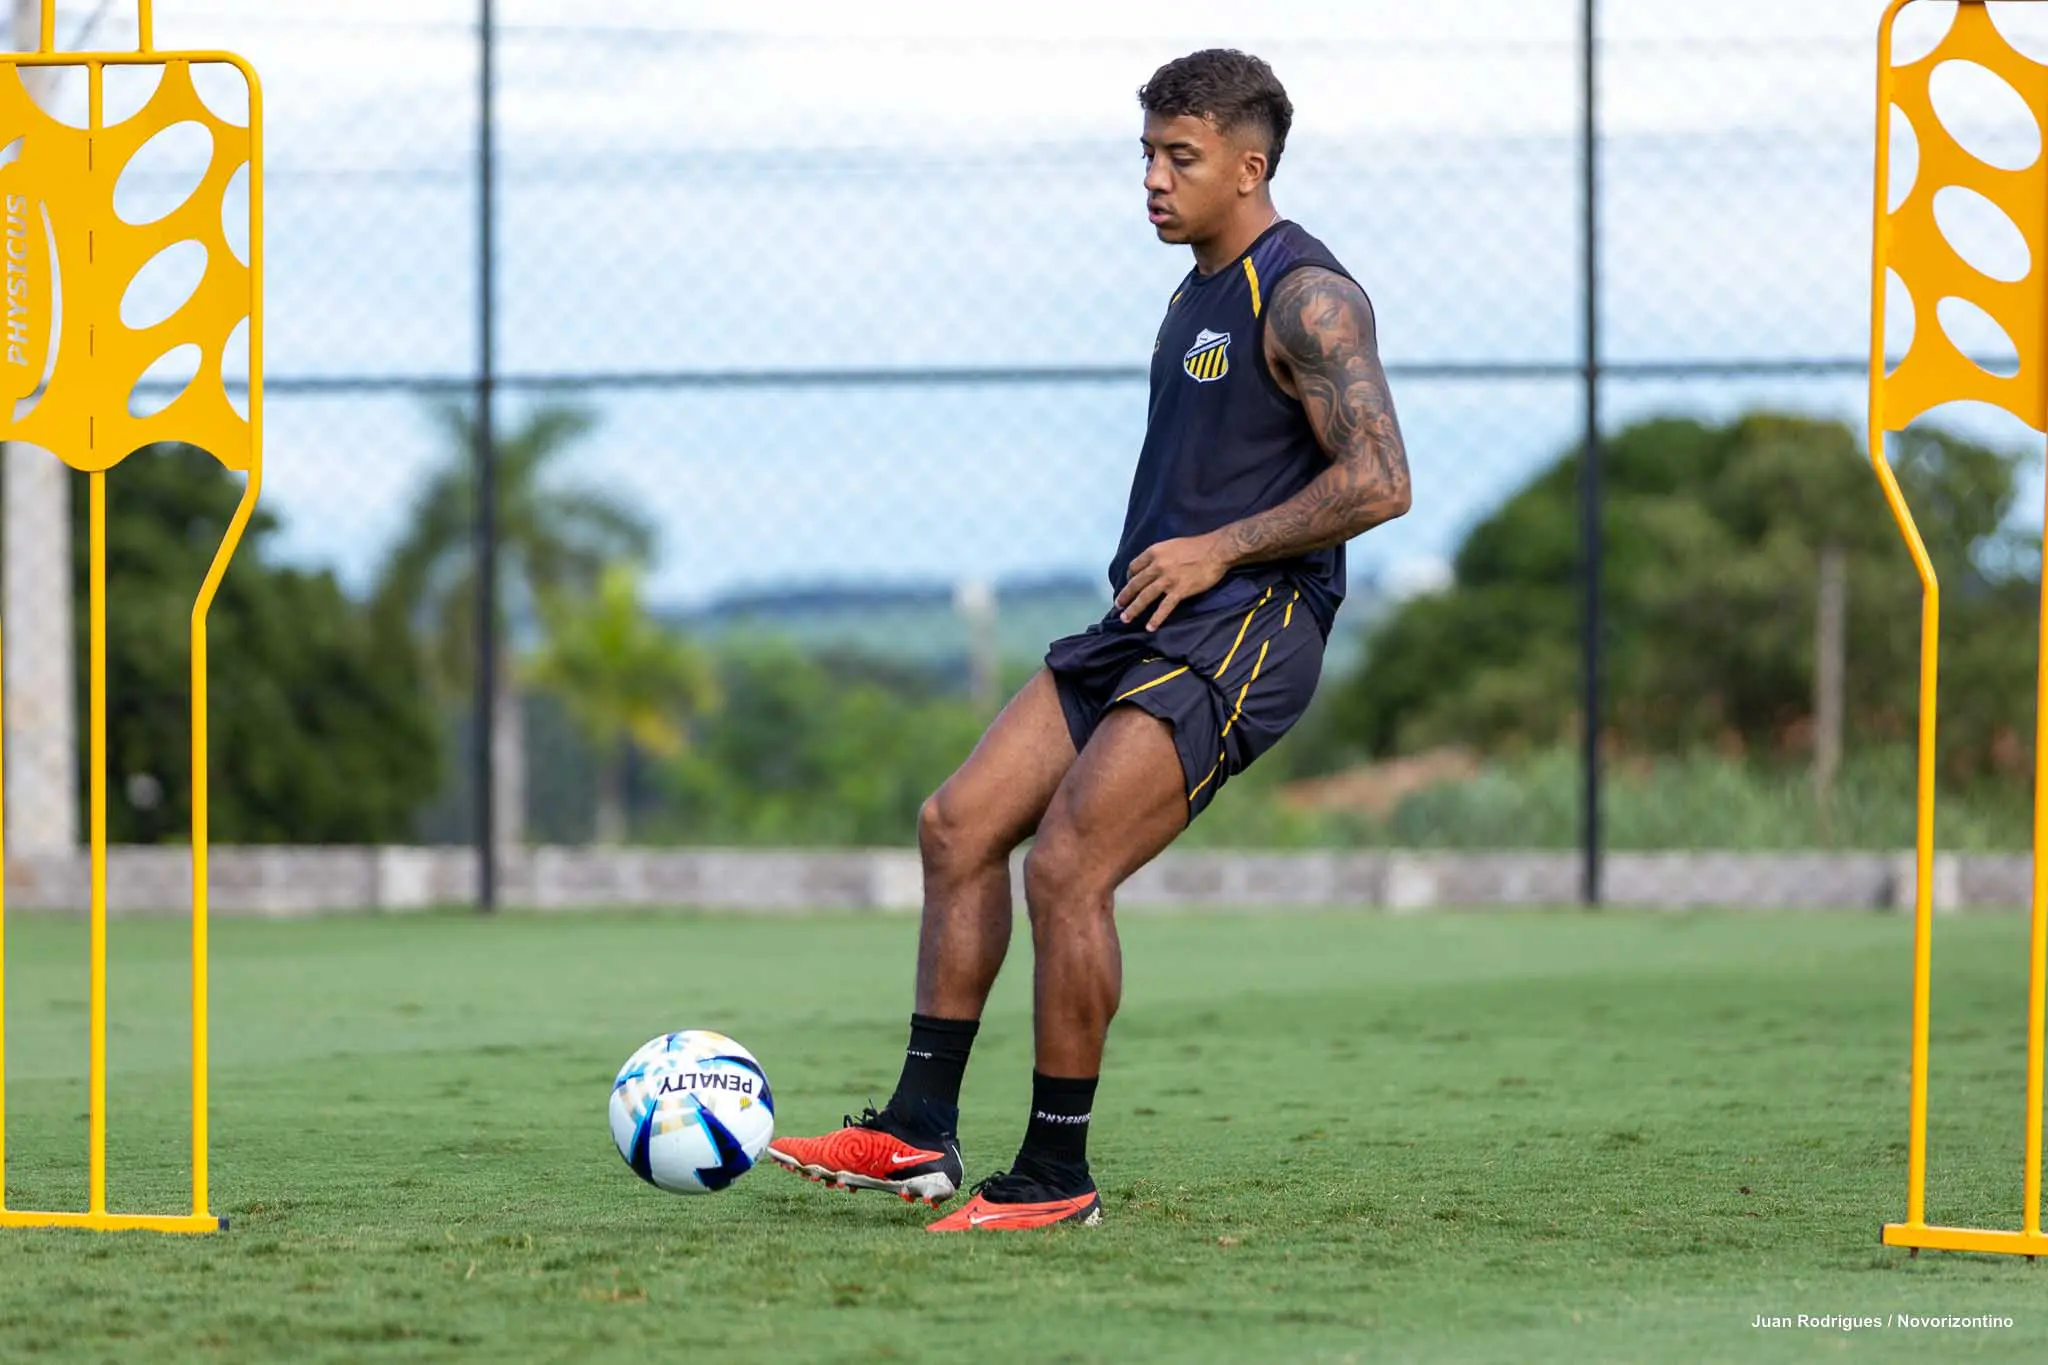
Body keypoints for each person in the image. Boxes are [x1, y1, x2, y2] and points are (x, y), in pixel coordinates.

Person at [766, 47, 1411, 1232]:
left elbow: (1380, 480)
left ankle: (1055, 1176)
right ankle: (916, 1131)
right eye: (1148, 154)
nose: (1154, 180)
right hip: (1145, 617)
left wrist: (1219, 549)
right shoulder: (1191, 293)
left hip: (1249, 625)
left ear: (1248, 167)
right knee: (957, 824)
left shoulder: (1307, 294)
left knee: (1065, 865)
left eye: (1181, 157)